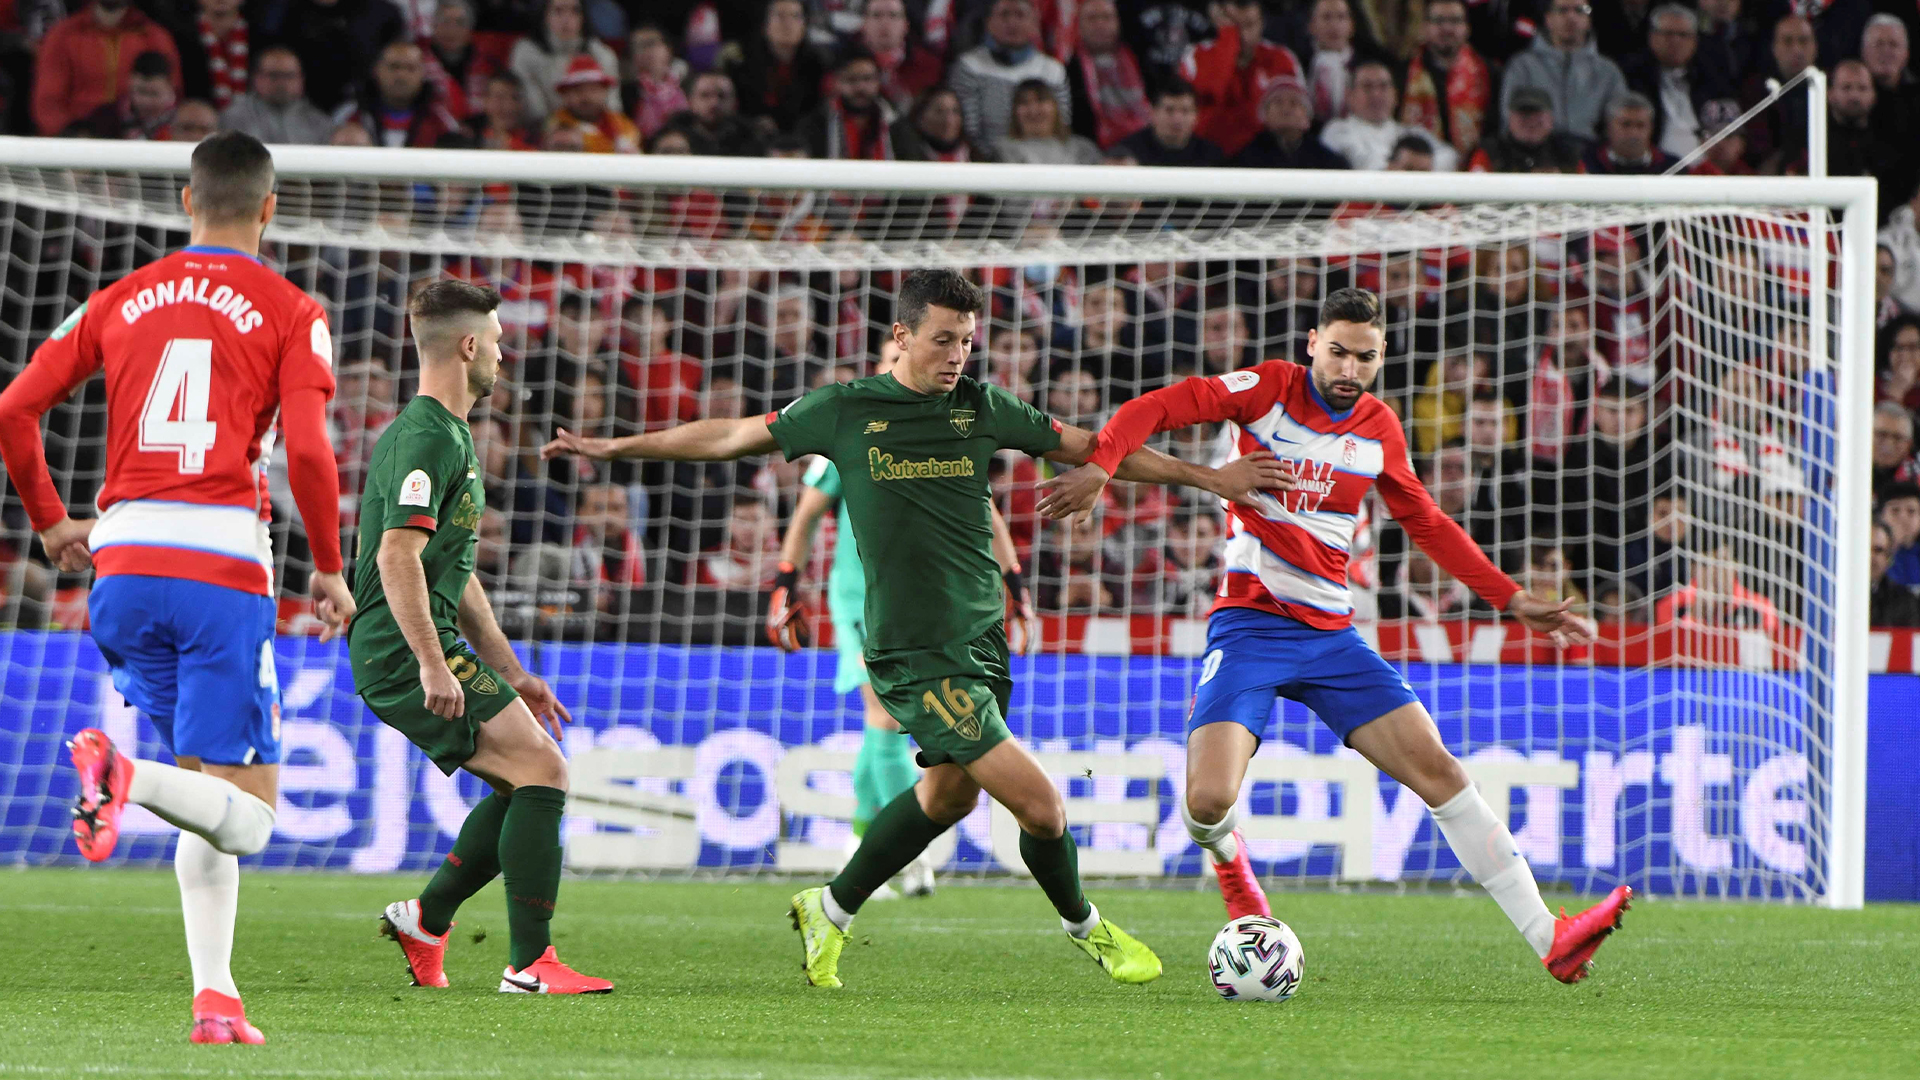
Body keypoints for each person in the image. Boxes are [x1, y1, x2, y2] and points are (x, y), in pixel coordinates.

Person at [543, 269, 1297, 990]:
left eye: (967, 340)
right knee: (1041, 806)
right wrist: (612, 449)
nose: (957, 355)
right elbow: (727, 437)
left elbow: (1094, 448)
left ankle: (828, 909)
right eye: (943, 340)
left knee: (946, 800)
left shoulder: (980, 408)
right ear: (900, 336)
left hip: (979, 639)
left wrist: (1210, 479)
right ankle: (1089, 929)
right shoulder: (843, 410)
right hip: (913, 652)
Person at [1034, 287, 1632, 985]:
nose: (1349, 369)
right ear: (1313, 341)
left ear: (1383, 359)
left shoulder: (1379, 430)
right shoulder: (1267, 389)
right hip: (1250, 624)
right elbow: (1157, 408)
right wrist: (1104, 463)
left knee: (1440, 772)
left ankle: (1549, 937)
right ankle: (1233, 869)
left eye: (1366, 357)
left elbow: (1427, 523)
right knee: (1206, 803)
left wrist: (1510, 597)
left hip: (1331, 636)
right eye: (1338, 351)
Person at [0, 132, 354, 1042]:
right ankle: (121, 774)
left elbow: (13, 408)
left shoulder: (120, 298)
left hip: (120, 567)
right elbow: (310, 450)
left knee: (205, 789)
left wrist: (48, 521)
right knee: (253, 818)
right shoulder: (290, 307)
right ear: (268, 209)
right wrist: (327, 564)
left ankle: (215, 993)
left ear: (187, 202)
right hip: (220, 569)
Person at [352, 280, 611, 996]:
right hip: (404, 652)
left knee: (525, 779)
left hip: (417, 643)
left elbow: (454, 572)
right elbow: (396, 556)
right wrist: (434, 665)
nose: (503, 356)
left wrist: (513, 671)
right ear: (469, 347)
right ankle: (529, 964)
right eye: (496, 343)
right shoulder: (428, 435)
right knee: (545, 773)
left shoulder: (450, 434)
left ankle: (427, 919)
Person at [769, 344, 1032, 899]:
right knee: (883, 715)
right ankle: (904, 859)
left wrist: (1015, 583)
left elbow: (986, 509)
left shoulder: (947, 431)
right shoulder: (855, 425)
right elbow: (808, 513)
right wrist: (785, 580)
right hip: (863, 600)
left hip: (930, 603)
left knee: (883, 726)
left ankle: (867, 837)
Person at [33, 0, 181, 135]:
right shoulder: (63, 36)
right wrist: (71, 135)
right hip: (77, 143)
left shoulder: (154, 36)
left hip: (140, 141)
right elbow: (48, 103)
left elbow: (172, 99)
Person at [1177, 0, 1302, 159]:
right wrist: (1228, 40)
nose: (1242, 35)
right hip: (1206, 156)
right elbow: (1215, 91)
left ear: (1262, 24)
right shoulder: (1196, 56)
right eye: (1235, 26)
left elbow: (1298, 117)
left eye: (1249, 25)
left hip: (1266, 158)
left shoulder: (1283, 59)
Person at [1499, 0, 1628, 141]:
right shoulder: (1522, 66)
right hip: (1537, 153)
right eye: (1562, 10)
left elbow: (1620, 124)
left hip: (1590, 154)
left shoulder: (1608, 72)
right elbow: (1509, 119)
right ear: (1548, 19)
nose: (1571, 17)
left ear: (1589, 20)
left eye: (1580, 10)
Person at [949, 0, 1071, 148]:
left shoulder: (1052, 70)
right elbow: (969, 131)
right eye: (1004, 15)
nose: (1012, 23)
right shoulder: (970, 66)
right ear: (989, 23)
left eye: (1020, 15)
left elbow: (1062, 125)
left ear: (1034, 23)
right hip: (988, 162)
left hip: (1045, 159)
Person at [1621, 3, 1732, 161]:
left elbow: (1730, 125)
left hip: (1705, 169)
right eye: (1668, 34)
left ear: (1695, 41)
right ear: (1652, 37)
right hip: (1654, 166)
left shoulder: (1711, 77)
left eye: (1683, 35)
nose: (1675, 41)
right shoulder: (1631, 75)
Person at [1319, 60, 1457, 171]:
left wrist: (1409, 167)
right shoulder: (1337, 130)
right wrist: (1414, 167)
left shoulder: (1410, 132)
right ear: (1350, 96)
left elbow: (1449, 156)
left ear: (1395, 96)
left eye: (1383, 86)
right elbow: (1363, 163)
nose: (1376, 94)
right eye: (1367, 87)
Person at [1398, 0, 1491, 162]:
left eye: (1455, 21)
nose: (1447, 28)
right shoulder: (1403, 72)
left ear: (1467, 28)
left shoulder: (1487, 72)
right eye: (1439, 21)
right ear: (1425, 28)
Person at [798, 47, 926, 161]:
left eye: (867, 79)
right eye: (851, 79)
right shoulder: (816, 124)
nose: (860, 87)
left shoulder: (897, 124)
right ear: (837, 82)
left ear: (878, 81)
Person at [333, 40, 463, 148]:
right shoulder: (350, 116)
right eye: (394, 67)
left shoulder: (441, 121)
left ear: (423, 74)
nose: (401, 75)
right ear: (376, 70)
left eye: (410, 68)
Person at [509, 0, 619, 126]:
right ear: (545, 16)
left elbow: (613, 108)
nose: (566, 19)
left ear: (584, 17)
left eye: (575, 11)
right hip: (543, 130)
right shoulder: (525, 53)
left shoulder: (603, 54)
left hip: (596, 131)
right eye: (558, 11)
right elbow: (535, 112)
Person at [1064, 0, 1149, 150]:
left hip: (1142, 148)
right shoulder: (1068, 70)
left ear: (1118, 22)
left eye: (1106, 17)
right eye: (1092, 18)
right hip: (1091, 150)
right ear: (1079, 25)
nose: (1100, 25)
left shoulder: (1141, 61)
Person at [220, 45, 332, 144]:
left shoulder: (320, 122)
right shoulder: (232, 118)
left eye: (289, 76)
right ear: (257, 78)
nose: (281, 83)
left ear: (301, 79)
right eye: (274, 75)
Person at [1232, 75, 1349, 169]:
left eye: (1294, 103)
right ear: (1265, 114)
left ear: (1307, 117)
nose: (1286, 109)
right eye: (1278, 102)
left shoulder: (1328, 162)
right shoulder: (1244, 160)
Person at [1467, 86, 1583, 172]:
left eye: (1537, 114)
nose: (1531, 120)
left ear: (1551, 118)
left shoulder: (1568, 155)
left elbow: (1586, 194)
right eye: (1524, 113)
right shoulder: (1489, 152)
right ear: (1510, 118)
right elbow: (1473, 192)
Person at [994, 75, 1101, 165]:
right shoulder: (1003, 151)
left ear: (1055, 107)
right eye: (1024, 102)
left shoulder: (1083, 149)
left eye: (1041, 100)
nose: (1033, 111)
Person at [1118, 78, 1225, 166]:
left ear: (1196, 115)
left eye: (1185, 111)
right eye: (1169, 110)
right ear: (1152, 112)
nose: (1177, 119)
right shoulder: (1129, 153)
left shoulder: (1211, 158)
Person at [545, 53, 639, 153]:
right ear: (565, 95)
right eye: (578, 90)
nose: (586, 96)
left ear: (605, 92)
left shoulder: (623, 125)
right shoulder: (555, 126)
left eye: (593, 90)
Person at [1581, 93, 1675, 174]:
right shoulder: (1586, 165)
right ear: (1608, 127)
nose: (1633, 133)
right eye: (1626, 124)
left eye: (1640, 125)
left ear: (1651, 128)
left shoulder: (1674, 168)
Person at [1870, 520, 1920, 626]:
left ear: (1889, 558)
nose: (1870, 556)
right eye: (1864, 549)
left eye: (1878, 550)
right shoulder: (1834, 595)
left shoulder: (1906, 602)